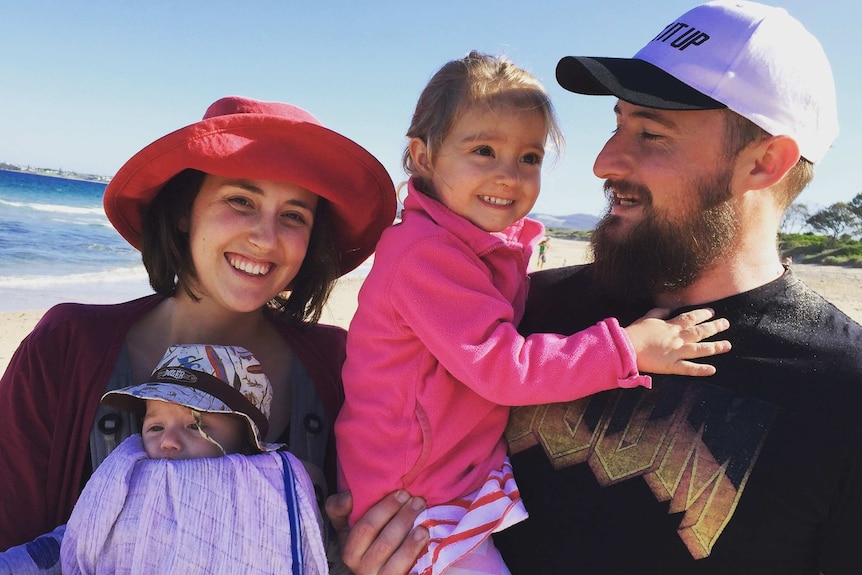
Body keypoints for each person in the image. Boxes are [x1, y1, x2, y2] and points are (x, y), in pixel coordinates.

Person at [327, 2, 862, 574]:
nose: (603, 162)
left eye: (651, 134)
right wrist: (352, 548)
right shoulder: (527, 309)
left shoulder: (842, 390)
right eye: (616, 124)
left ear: (764, 163)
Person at [335, 51, 731, 575]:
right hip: (414, 510)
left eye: (529, 157)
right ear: (422, 156)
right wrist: (630, 346)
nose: (509, 175)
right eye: (483, 150)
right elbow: (503, 367)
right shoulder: (426, 256)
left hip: (437, 483)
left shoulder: (468, 248)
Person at [0, 96, 395, 571]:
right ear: (185, 211)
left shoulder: (341, 363)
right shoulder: (66, 346)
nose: (266, 239)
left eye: (294, 215)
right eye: (241, 200)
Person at [60, 343, 329, 574]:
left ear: (246, 442)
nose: (167, 442)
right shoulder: (126, 474)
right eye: (155, 427)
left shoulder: (270, 486)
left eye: (194, 427)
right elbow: (85, 533)